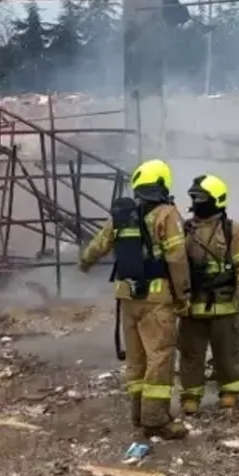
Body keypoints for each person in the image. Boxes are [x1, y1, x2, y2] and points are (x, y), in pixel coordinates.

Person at [79, 159, 192, 439]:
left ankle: (138, 414)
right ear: (163, 184)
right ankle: (156, 421)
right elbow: (177, 258)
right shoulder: (167, 214)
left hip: (127, 297)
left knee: (137, 359)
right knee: (160, 356)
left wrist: (84, 263)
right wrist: (184, 295)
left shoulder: (123, 215)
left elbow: (97, 246)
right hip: (157, 300)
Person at [177, 174, 239, 414]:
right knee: (191, 355)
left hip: (225, 305)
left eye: (201, 198)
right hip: (192, 307)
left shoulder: (233, 231)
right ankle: (191, 397)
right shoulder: (184, 231)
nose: (196, 203)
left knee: (227, 355)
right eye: (194, 198)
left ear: (216, 200)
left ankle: (229, 393)